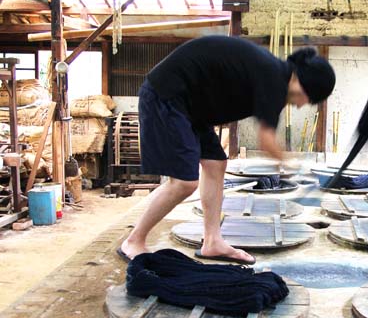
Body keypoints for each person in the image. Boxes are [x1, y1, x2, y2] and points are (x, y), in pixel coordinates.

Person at [119, 35, 336, 264]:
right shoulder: (273, 77)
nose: (303, 104)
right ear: (302, 82)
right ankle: (134, 240)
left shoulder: (275, 75)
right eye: (309, 98)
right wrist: (296, 169)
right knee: (184, 182)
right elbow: (267, 141)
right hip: (167, 95)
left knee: (215, 164)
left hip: (192, 107)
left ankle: (212, 241)